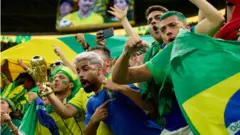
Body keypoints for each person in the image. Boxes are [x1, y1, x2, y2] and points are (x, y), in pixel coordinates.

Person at [112, 0, 224, 133]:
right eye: (163, 29)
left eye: (172, 25)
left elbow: (216, 19)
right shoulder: (162, 56)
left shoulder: (193, 37)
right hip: (175, 127)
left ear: (187, 27)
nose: (168, 32)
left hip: (212, 117)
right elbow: (120, 77)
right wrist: (126, 52)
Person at [73, 51, 161, 135]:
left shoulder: (117, 82)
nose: (80, 75)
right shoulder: (91, 103)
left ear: (99, 70)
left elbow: (150, 107)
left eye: (85, 69)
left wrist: (121, 88)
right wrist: (93, 121)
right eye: (78, 71)